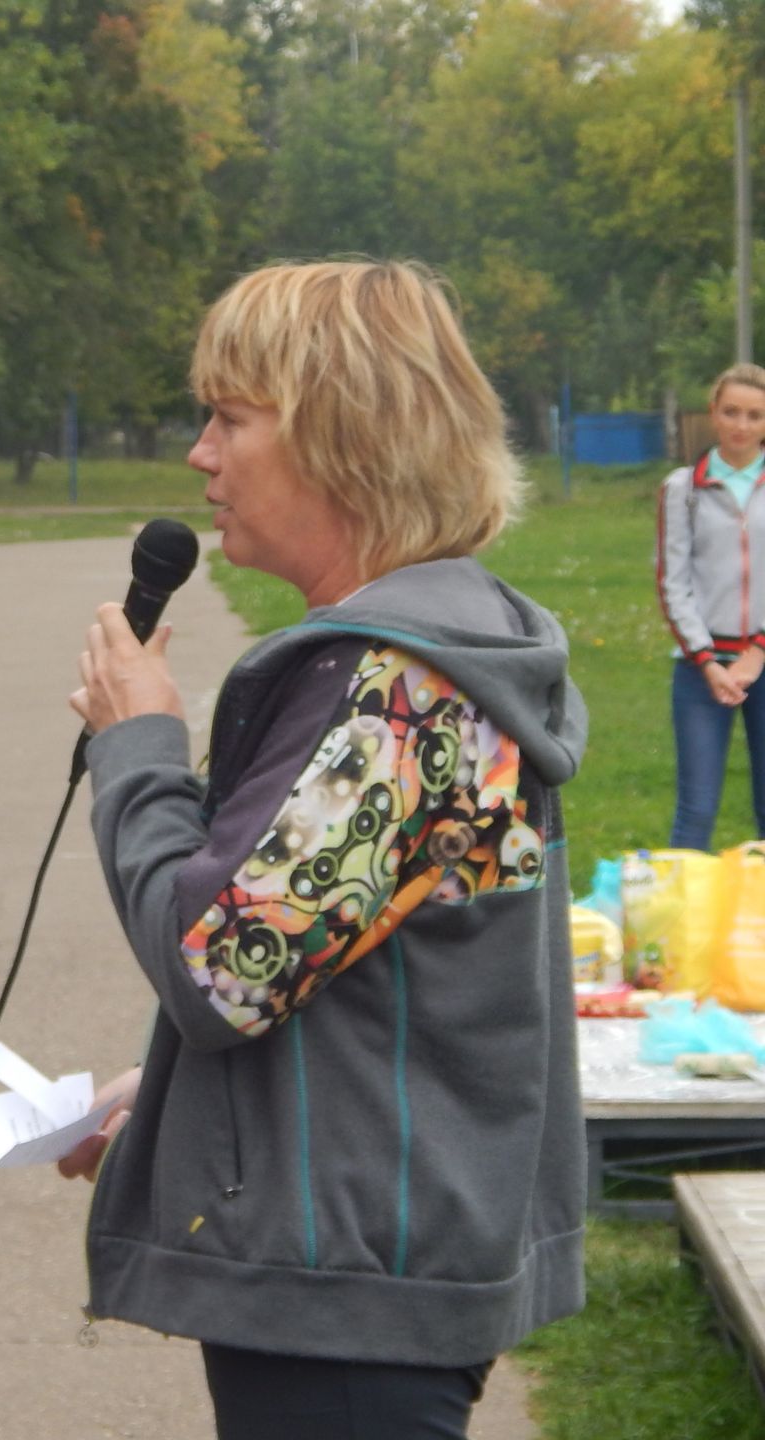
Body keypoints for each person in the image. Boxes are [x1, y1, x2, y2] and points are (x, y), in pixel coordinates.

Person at [58, 260, 588, 1440]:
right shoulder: (429, 657)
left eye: (231, 417)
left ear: (345, 438)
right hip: (371, 1251)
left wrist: (138, 746)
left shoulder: (395, 688)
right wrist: (192, 1101)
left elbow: (219, 968)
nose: (200, 453)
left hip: (350, 1293)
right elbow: (347, 958)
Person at [657, 362, 765, 849]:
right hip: (702, 671)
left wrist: (759, 650)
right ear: (713, 415)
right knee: (696, 811)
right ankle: (680, 924)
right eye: (732, 412)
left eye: (755, 415)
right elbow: (671, 582)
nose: (742, 426)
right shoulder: (683, 490)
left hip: (763, 660)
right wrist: (706, 659)